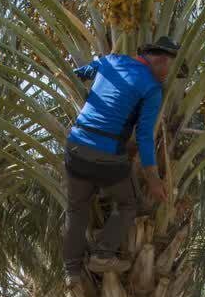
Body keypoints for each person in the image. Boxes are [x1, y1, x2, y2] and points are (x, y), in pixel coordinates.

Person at [62, 37, 177, 281]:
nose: (168, 73)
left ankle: (71, 271)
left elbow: (78, 74)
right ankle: (102, 255)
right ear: (160, 60)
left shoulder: (110, 61)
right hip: (107, 156)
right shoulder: (152, 88)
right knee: (127, 204)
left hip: (75, 146)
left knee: (77, 209)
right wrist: (153, 180)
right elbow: (144, 136)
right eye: (169, 66)